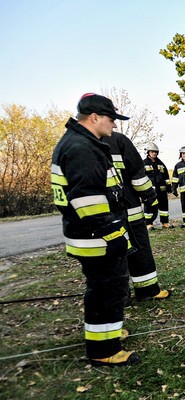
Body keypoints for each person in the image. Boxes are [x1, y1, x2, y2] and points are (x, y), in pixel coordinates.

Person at [51, 93, 139, 366]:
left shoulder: (82, 142)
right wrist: (113, 235)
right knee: (107, 288)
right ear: (95, 118)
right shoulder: (81, 148)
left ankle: (108, 331)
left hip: (91, 234)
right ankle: (104, 350)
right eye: (111, 119)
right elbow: (87, 200)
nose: (114, 125)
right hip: (95, 236)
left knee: (105, 287)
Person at [104, 131, 171, 301]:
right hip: (128, 207)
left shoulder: (81, 142)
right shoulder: (118, 140)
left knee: (114, 254)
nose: (112, 123)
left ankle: (123, 296)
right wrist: (149, 196)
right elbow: (137, 174)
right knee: (138, 249)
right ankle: (147, 291)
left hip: (105, 213)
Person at [143, 144, 172, 230]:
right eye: (152, 152)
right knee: (149, 207)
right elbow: (141, 176)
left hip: (162, 190)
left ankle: (165, 222)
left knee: (164, 207)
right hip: (150, 191)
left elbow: (166, 177)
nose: (154, 153)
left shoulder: (161, 163)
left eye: (155, 152)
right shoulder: (143, 163)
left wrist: (169, 187)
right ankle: (149, 224)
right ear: (148, 152)